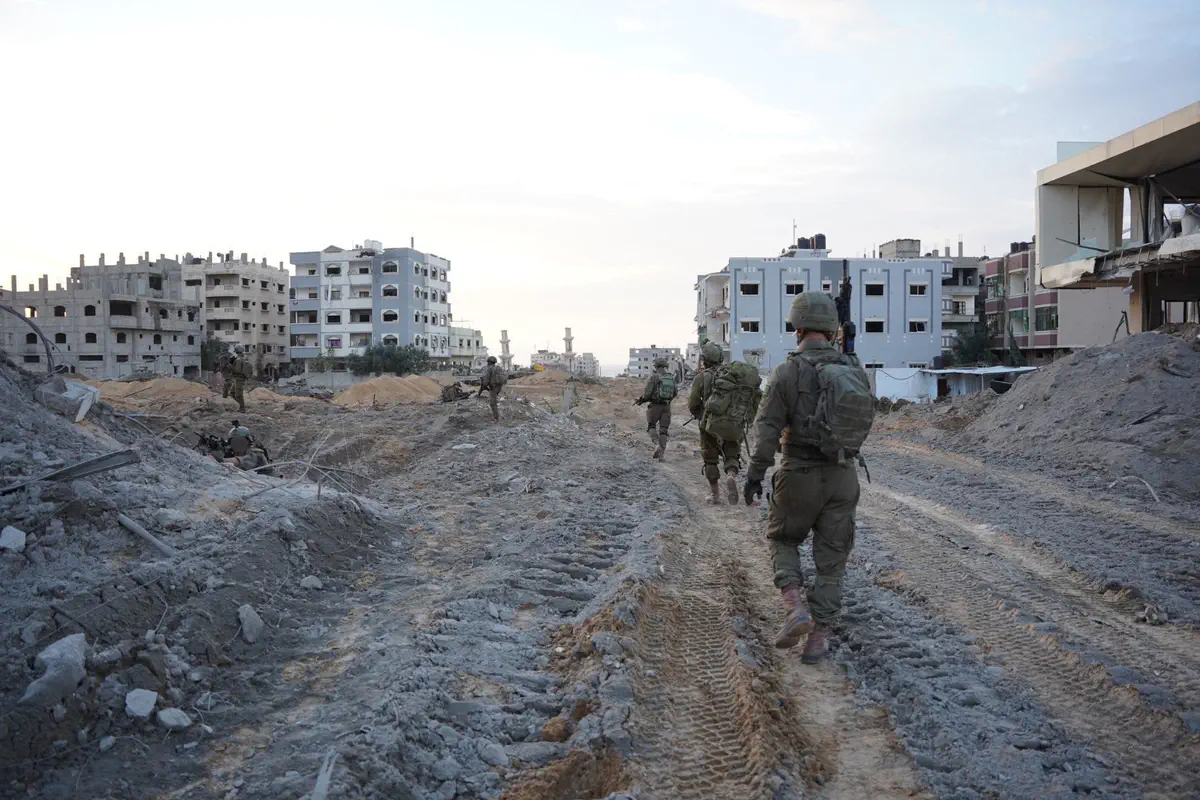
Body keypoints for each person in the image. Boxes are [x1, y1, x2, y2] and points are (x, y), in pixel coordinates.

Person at [743, 292, 872, 663]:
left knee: (783, 539)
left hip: (798, 474)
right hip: (843, 476)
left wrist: (755, 474)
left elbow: (767, 430)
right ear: (832, 329)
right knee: (832, 560)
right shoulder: (853, 368)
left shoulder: (787, 372)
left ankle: (795, 606)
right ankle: (818, 638)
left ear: (796, 328)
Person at [688, 342, 743, 505]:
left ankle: (715, 495)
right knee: (731, 455)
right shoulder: (732, 374)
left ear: (704, 359)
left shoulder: (701, 377)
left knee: (710, 459)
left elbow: (693, 404)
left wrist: (701, 416)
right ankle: (731, 476)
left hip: (709, 425)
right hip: (732, 423)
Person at [636, 357, 678, 460]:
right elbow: (675, 393)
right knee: (663, 430)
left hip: (655, 406)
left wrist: (641, 400)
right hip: (667, 406)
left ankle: (656, 445)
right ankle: (661, 455)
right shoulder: (671, 377)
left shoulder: (654, 377)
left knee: (651, 426)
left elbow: (647, 394)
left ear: (656, 366)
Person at [477, 356, 506, 421]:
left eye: (488, 362)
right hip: (499, 387)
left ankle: (496, 418)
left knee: (492, 403)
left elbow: (486, 381)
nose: (487, 363)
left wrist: (483, 385)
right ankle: (497, 415)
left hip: (493, 387)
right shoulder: (498, 368)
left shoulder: (489, 369)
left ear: (489, 362)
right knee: (494, 400)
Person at [229, 344, 250, 412]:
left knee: (238, 395)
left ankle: (242, 408)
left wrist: (230, 366)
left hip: (239, 378)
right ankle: (241, 406)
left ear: (236, 351)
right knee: (232, 392)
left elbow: (237, 370)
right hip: (238, 378)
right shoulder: (242, 358)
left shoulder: (238, 359)